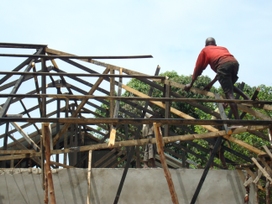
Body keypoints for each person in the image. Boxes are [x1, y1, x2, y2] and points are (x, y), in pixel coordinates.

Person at [184, 37, 249, 119]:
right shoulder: (222, 48)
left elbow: (198, 68)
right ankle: (246, 97)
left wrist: (191, 83)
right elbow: (220, 73)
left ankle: (237, 121)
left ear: (205, 45)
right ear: (215, 44)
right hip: (234, 63)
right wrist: (211, 84)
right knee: (229, 86)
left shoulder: (205, 50)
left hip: (223, 66)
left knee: (229, 94)